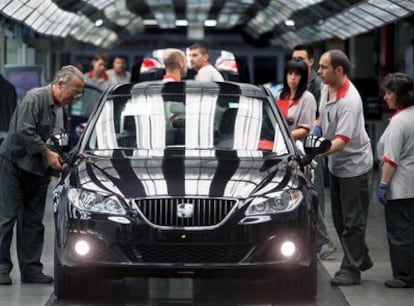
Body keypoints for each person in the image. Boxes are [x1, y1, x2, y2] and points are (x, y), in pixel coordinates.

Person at [0, 65, 85, 285]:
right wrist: (47, 153)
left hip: (38, 171)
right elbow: (24, 131)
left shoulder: (61, 110)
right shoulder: (34, 98)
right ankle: (1, 268)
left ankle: (30, 270)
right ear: (59, 85)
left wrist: (72, 159)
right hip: (15, 165)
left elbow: (60, 142)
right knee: (6, 218)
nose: (77, 97)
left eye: (80, 93)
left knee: (33, 222)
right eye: (75, 91)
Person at [315, 49, 373, 286]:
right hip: (336, 164)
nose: (318, 71)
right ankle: (361, 257)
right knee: (340, 221)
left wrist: (315, 153)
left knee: (352, 221)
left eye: (323, 67)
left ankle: (351, 270)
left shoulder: (350, 100)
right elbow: (322, 118)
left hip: (354, 166)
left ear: (338, 70)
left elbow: (342, 141)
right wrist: (316, 130)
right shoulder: (325, 87)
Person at [277, 59, 335, 259]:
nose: (293, 78)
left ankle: (324, 241)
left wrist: (284, 134)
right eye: (290, 73)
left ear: (303, 77)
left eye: (297, 74)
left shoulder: (307, 98)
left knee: (309, 195)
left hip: (301, 153)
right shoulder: (282, 96)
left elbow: (306, 128)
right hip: (283, 151)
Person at [376, 72, 414, 288]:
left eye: (389, 93)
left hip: (400, 187)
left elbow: (391, 159)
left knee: (400, 233)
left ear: (400, 95)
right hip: (412, 184)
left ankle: (404, 276)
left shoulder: (399, 121)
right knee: (410, 230)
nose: (385, 97)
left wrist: (382, 184)